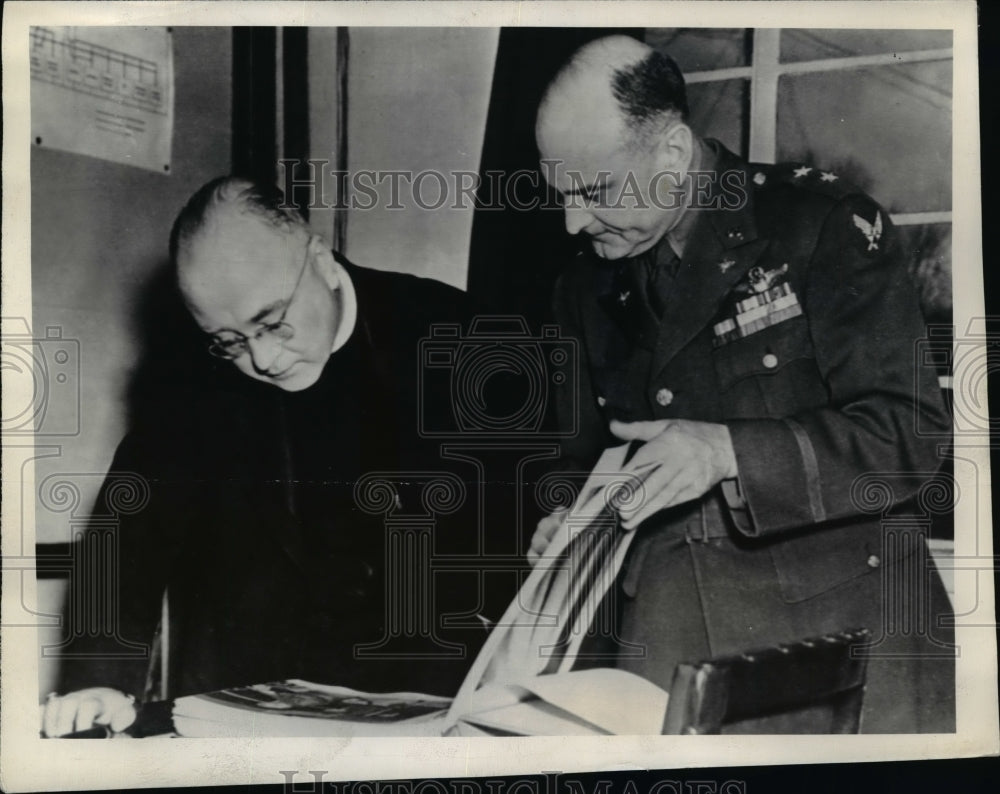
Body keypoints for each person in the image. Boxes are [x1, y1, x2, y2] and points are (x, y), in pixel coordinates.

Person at [529, 36, 954, 732]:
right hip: (666, 657)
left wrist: (729, 452)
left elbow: (910, 432)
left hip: (834, 661)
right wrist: (570, 520)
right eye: (560, 196)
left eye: (594, 192)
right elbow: (578, 456)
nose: (574, 221)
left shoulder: (818, 226)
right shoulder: (583, 284)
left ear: (671, 150)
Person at [41, 177, 488, 736]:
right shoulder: (190, 383)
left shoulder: (457, 335)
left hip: (431, 703)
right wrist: (97, 680)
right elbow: (126, 537)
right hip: (252, 706)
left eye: (273, 321)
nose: (264, 358)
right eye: (228, 340)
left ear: (321, 260)